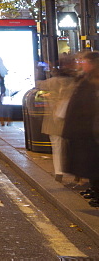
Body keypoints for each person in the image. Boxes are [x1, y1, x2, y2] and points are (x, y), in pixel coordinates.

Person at [61, 51, 99, 207]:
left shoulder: (94, 80)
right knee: (89, 162)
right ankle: (94, 189)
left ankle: (97, 192)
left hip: (91, 129)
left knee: (94, 162)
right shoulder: (86, 77)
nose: (80, 63)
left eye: (83, 61)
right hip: (83, 129)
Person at [37, 57, 76, 183]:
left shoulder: (52, 82)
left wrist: (43, 68)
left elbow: (38, 84)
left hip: (54, 120)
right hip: (70, 119)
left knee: (57, 146)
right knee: (71, 146)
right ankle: (76, 174)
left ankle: (59, 172)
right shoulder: (75, 82)